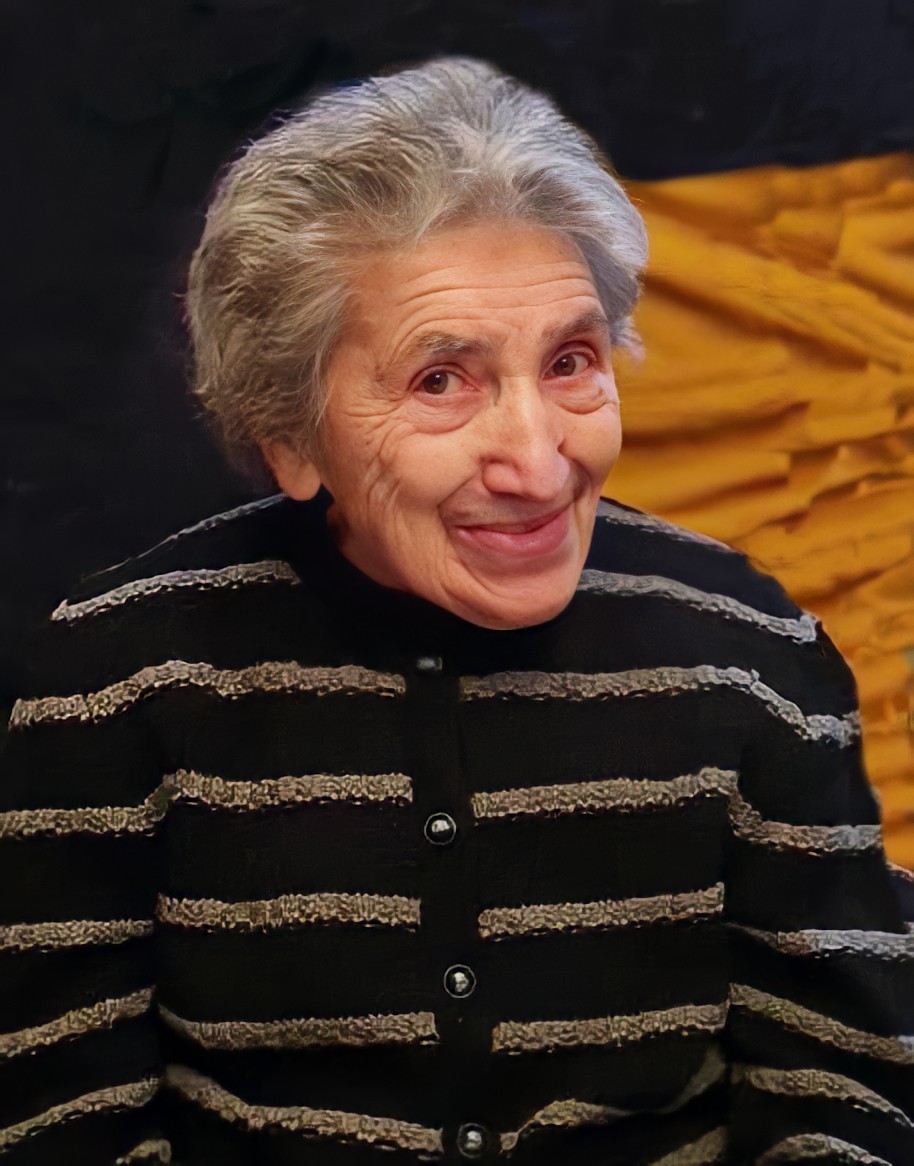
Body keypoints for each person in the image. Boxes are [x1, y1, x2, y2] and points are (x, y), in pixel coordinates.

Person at [1, 56, 911, 1166]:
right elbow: (58, 1112)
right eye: (441, 379)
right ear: (289, 433)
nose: (539, 464)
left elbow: (847, 1087)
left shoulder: (756, 657)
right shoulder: (114, 679)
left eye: (570, 361)